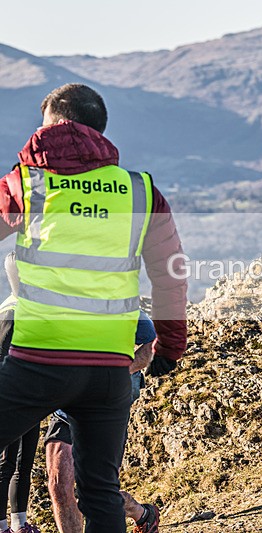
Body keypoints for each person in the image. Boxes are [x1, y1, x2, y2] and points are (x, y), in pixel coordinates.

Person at [0, 83, 187, 532]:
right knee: (100, 492)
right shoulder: (140, 191)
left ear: (56, 125)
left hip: (39, 359)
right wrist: (167, 349)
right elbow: (171, 275)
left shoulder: (29, 183)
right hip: (109, 370)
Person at [44, 311, 160, 533]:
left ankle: (142, 513)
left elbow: (154, 340)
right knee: (59, 486)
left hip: (105, 408)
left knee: (97, 491)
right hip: (65, 407)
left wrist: (115, 372)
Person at [0, 254, 40, 533]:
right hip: (14, 400)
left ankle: (19, 524)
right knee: (7, 464)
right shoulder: (11, 311)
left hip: (32, 398)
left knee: (23, 463)